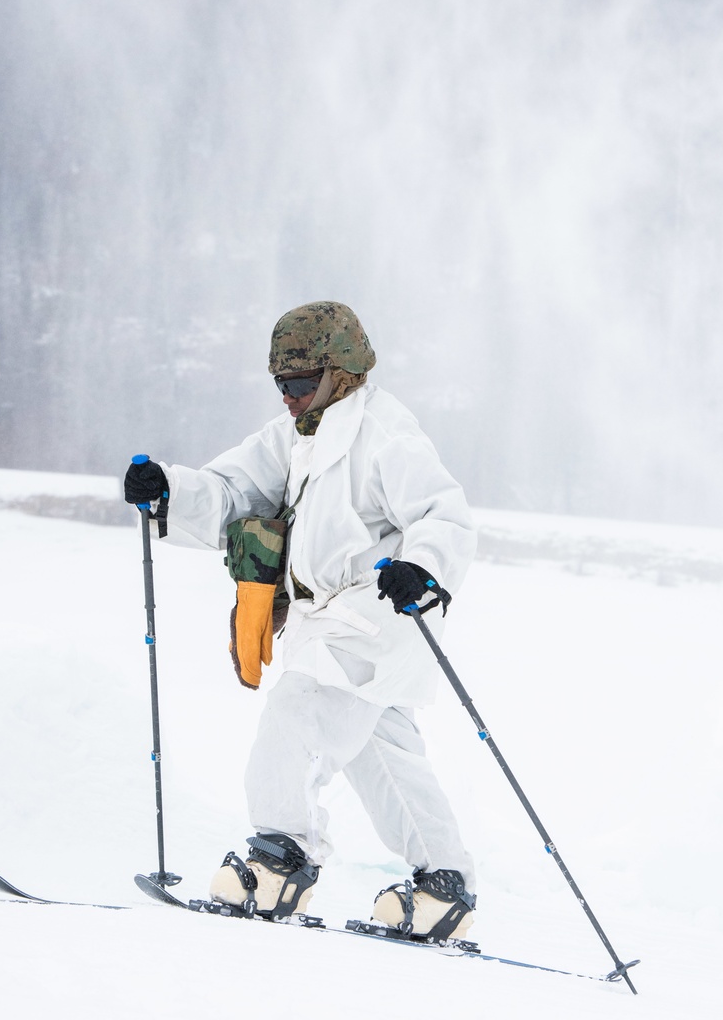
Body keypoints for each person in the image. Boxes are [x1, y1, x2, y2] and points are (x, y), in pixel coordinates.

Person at [123, 300, 478, 940]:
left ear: (339, 372)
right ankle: (442, 886)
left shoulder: (385, 435)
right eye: (280, 384)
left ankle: (280, 860)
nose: (288, 397)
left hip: (373, 616)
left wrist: (421, 569)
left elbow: (443, 516)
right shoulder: (297, 435)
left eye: (300, 383)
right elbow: (233, 491)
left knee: (297, 715)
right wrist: (170, 490)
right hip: (330, 620)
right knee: (383, 752)